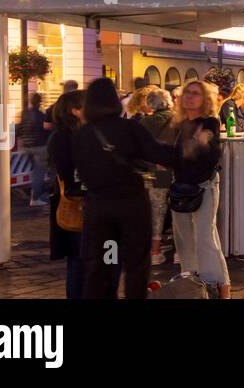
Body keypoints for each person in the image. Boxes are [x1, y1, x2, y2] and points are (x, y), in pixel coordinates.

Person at [74, 77, 176, 298]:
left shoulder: (84, 133)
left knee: (102, 263)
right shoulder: (129, 128)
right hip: (130, 206)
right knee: (136, 263)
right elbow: (159, 154)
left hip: (99, 207)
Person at [171, 80, 230, 298]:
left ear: (205, 99)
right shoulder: (179, 123)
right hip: (180, 187)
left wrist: (200, 143)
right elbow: (174, 154)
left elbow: (209, 146)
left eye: (195, 93)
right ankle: (191, 287)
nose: (189, 97)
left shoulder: (210, 122)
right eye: (187, 93)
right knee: (183, 241)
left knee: (206, 238)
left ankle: (221, 288)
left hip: (204, 186)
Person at [48, 89, 86, 298]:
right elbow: (68, 172)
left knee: (83, 258)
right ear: (75, 111)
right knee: (79, 259)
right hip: (76, 201)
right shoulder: (64, 138)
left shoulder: (72, 135)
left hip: (79, 199)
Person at [135, 88, 175, 265]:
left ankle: (155, 251)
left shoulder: (145, 122)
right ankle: (179, 251)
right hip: (178, 171)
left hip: (156, 172)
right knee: (179, 209)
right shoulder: (179, 119)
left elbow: (139, 150)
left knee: (157, 211)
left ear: (150, 103)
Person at [19, 92, 51, 206]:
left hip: (27, 146)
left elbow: (20, 127)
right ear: (39, 102)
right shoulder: (40, 115)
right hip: (39, 146)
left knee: (34, 171)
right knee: (39, 172)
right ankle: (35, 198)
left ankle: (35, 194)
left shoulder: (24, 113)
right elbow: (46, 129)